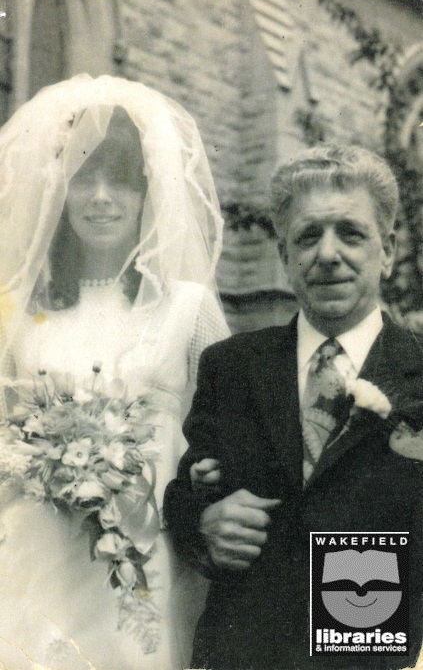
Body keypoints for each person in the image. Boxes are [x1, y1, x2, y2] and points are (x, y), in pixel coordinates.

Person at [0, 74, 229, 670]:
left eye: (120, 180)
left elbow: (229, 437)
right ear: (60, 191)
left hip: (142, 564)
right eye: (84, 178)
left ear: (147, 192)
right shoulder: (20, 314)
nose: (101, 197)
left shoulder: (188, 308)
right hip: (35, 560)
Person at [164, 144, 423, 670]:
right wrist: (203, 524)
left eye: (350, 233)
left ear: (388, 250)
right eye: (308, 236)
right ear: (284, 256)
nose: (327, 254)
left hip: (375, 652)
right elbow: (186, 485)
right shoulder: (232, 367)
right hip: (245, 652)